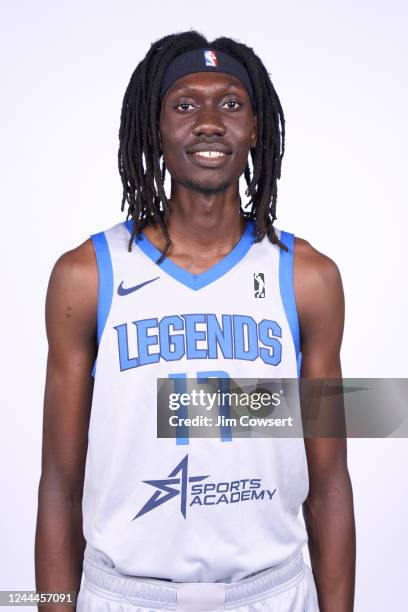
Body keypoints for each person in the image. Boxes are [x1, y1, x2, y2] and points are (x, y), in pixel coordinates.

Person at [35, 31, 356, 612]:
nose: (209, 121)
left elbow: (329, 483)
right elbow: (59, 483)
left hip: (270, 592)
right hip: (125, 595)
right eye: (185, 104)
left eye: (231, 103)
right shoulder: (87, 276)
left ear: (256, 127)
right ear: (155, 129)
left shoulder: (308, 278)